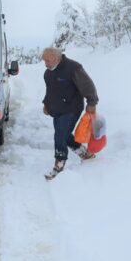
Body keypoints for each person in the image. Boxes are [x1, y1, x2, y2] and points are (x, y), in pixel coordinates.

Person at [42, 47, 99, 180]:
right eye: (44, 60)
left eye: (48, 60)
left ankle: (59, 163)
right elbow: (50, 92)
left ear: (57, 58)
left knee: (60, 135)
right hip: (57, 110)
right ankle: (84, 153)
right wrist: (46, 104)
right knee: (65, 134)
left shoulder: (73, 68)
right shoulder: (48, 73)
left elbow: (88, 86)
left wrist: (92, 103)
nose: (45, 64)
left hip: (71, 108)